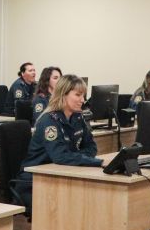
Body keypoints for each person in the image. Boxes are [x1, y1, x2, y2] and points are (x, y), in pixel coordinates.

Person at [16, 74, 102, 208]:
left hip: (62, 175)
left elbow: (92, 147)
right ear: (63, 94)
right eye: (78, 95)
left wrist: (73, 157)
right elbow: (60, 156)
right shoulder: (49, 121)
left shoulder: (78, 117)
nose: (83, 100)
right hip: (36, 182)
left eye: (83, 95)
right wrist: (98, 162)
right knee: (77, 204)